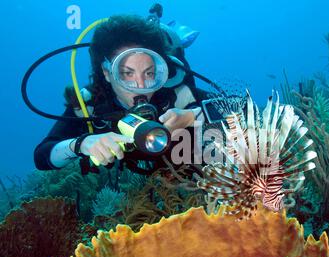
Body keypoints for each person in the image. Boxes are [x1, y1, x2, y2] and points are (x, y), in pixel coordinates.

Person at [34, 14, 209, 175]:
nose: (141, 86)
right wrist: (81, 144)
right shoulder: (91, 104)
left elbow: (233, 107)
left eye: (149, 73)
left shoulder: (176, 95)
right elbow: (42, 156)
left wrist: (194, 116)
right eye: (127, 74)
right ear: (107, 73)